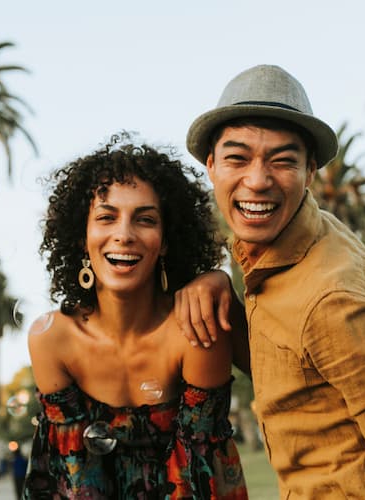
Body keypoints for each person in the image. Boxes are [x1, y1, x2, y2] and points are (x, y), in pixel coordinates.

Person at [176, 64, 365, 499]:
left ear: (310, 172)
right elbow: (291, 366)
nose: (257, 180)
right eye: (238, 158)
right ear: (212, 166)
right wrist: (218, 285)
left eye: (282, 161)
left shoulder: (336, 298)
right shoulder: (286, 243)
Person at [23, 135, 248, 499]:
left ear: (167, 240)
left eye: (144, 219)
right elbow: (75, 481)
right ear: (83, 236)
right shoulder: (51, 340)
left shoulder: (195, 327)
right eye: (106, 217)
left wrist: (217, 279)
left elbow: (200, 475)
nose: (124, 235)